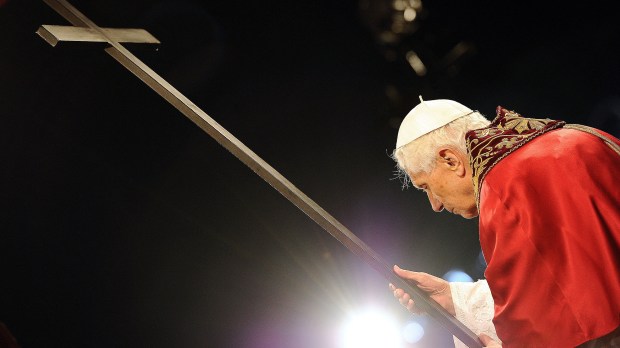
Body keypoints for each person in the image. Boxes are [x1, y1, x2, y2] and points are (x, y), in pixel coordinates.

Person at [388, 97, 620, 347]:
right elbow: (572, 281)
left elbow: (538, 329)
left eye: (426, 187)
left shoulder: (500, 190)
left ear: (450, 160)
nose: (435, 204)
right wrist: (455, 298)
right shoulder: (577, 136)